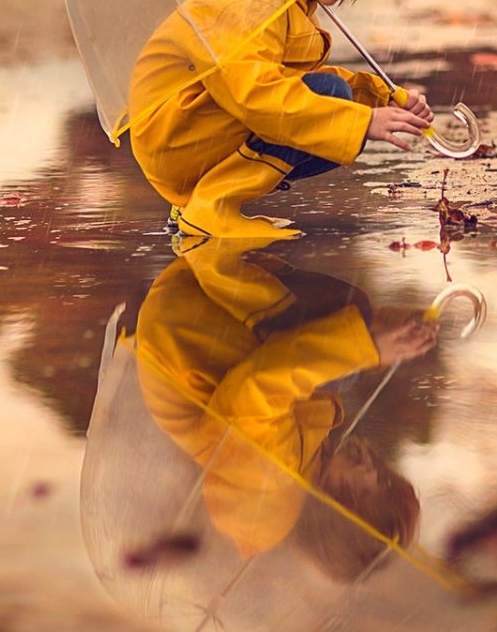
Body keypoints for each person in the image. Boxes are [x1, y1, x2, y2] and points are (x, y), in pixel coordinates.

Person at [128, 0, 433, 240]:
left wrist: (384, 98)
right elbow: (257, 95)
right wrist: (360, 120)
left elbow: (286, 78)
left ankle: (197, 201)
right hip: (176, 139)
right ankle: (211, 208)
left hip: (196, 130)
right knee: (331, 105)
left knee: (337, 107)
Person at [130, 238, 436, 575]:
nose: (371, 473)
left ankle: (227, 270)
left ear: (332, 517)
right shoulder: (302, 468)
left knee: (350, 321)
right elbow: (306, 386)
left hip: (190, 324)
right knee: (349, 352)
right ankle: (236, 271)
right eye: (383, 481)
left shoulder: (272, 483)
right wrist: (387, 335)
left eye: (364, 493)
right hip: (196, 328)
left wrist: (369, 344)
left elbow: (261, 385)